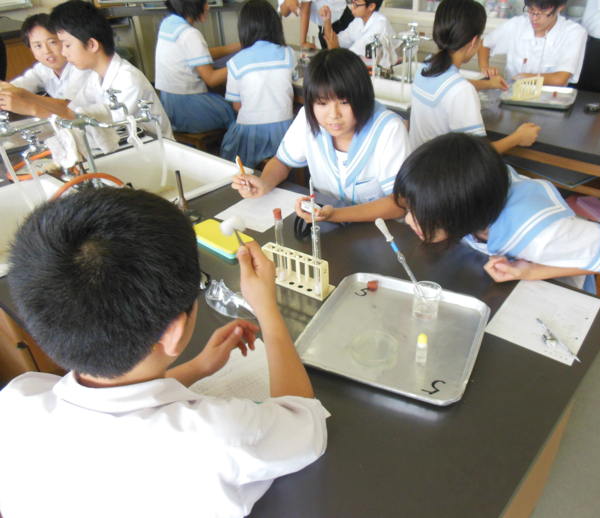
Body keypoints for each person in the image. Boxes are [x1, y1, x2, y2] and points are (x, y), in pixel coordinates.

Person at [0, 187, 327, 518]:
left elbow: (116, 402)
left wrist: (197, 368)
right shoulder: (220, 436)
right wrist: (266, 308)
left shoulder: (16, 401)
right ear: (172, 332)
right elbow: (306, 423)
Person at [296, 133, 600, 293]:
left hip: (555, 290)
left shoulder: (538, 234)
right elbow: (399, 203)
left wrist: (531, 271)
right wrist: (336, 215)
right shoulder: (470, 185)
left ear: (461, 211)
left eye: (418, 214)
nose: (408, 221)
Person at [232, 48, 410, 206]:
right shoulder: (308, 117)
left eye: (344, 102)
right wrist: (264, 183)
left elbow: (400, 202)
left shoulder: (389, 129)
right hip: (327, 222)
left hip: (381, 228)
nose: (333, 114)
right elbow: (282, 162)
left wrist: (336, 215)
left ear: (363, 96)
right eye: (322, 103)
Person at [409, 0, 540, 151]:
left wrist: (489, 84)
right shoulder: (462, 91)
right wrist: (518, 137)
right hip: (444, 166)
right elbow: (478, 155)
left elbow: (450, 86)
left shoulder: (426, 66)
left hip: (417, 162)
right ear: (474, 41)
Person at [42, 1, 173, 138]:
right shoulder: (96, 77)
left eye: (67, 45)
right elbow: (73, 110)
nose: (63, 53)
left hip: (158, 147)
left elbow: (108, 130)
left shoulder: (127, 80)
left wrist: (34, 107)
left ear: (92, 44)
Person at [221, 0, 296, 169]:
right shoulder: (288, 53)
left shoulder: (235, 62)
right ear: (276, 25)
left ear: (243, 29)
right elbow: (295, 78)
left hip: (250, 135)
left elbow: (237, 106)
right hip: (285, 133)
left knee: (229, 153)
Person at [155, 0, 238, 133]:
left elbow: (198, 53)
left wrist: (239, 46)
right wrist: (241, 63)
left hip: (169, 104)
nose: (208, 7)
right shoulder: (190, 34)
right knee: (238, 113)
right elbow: (212, 79)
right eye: (205, 3)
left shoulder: (168, 23)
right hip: (189, 107)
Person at [478, 0, 587, 86]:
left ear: (560, 7)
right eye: (531, 9)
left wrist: (524, 77)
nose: (535, 18)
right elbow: (484, 44)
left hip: (549, 100)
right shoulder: (516, 25)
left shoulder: (574, 33)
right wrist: (485, 67)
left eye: (543, 11)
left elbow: (560, 79)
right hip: (511, 93)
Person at [0, 14, 90, 117]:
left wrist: (25, 95)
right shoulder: (41, 69)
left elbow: (69, 107)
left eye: (52, 42)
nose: (47, 51)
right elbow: (14, 87)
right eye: (38, 46)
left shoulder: (81, 67)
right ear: (33, 52)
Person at [318, 0, 395, 57]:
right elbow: (335, 41)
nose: (352, 7)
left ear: (371, 6)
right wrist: (327, 20)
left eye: (356, 4)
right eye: (352, 2)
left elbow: (351, 56)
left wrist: (333, 48)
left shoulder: (379, 26)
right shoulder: (358, 21)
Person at [278, 0, 354, 50]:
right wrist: (303, 42)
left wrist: (303, 41)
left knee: (349, 60)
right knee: (332, 62)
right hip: (325, 25)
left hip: (343, 17)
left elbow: (305, 7)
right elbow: (284, 12)